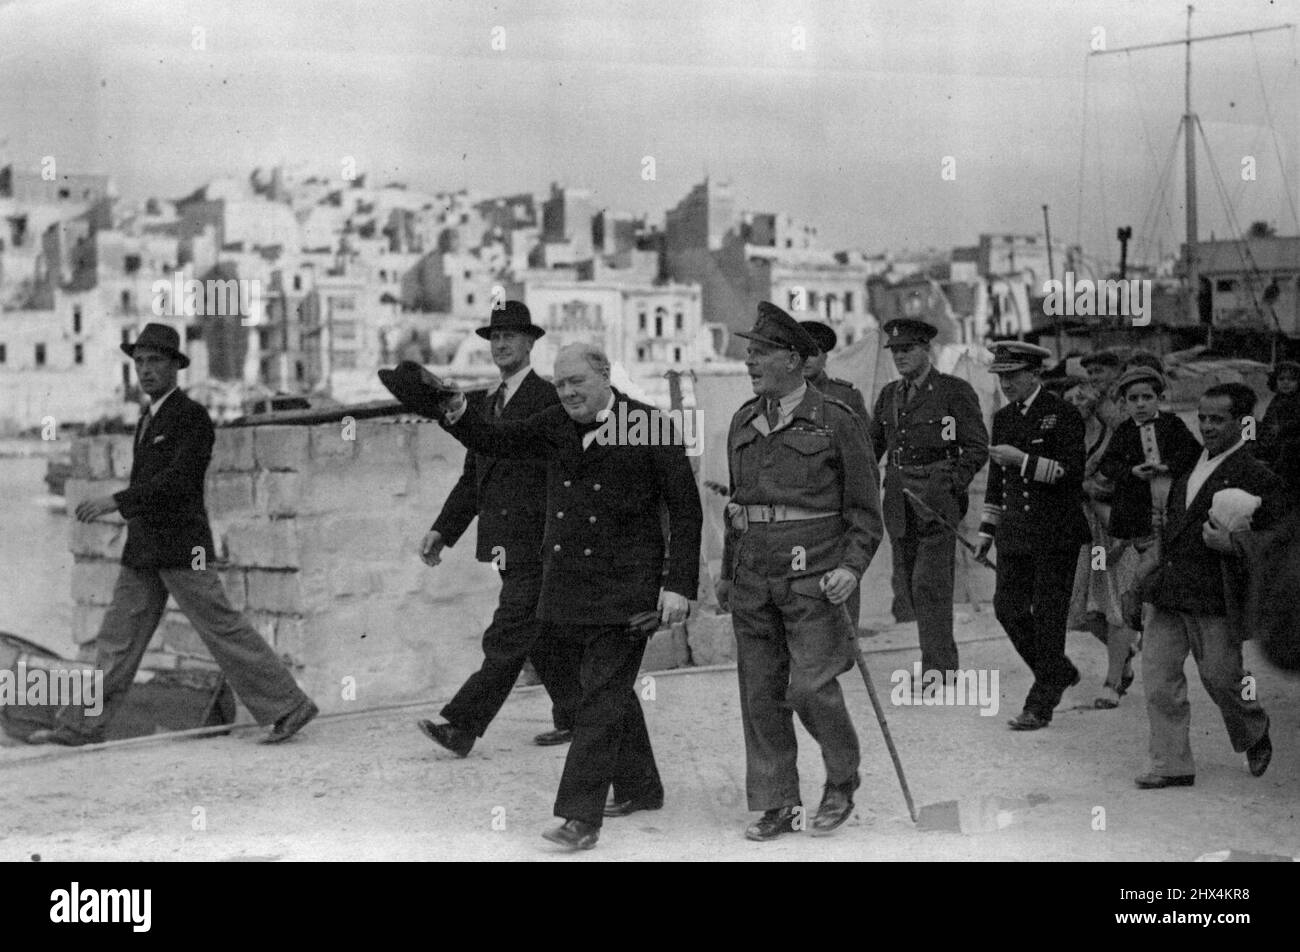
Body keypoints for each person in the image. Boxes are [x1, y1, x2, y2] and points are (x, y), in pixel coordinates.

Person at [433, 343, 702, 850]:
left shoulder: (648, 424)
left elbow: (685, 511)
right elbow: (497, 439)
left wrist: (678, 586)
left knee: (598, 699)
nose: (569, 392)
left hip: (628, 591)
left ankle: (580, 818)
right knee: (598, 689)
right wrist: (458, 413)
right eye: (560, 384)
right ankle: (642, 787)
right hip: (567, 587)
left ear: (605, 376)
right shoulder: (555, 422)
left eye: (578, 381)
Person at [30, 324, 318, 746]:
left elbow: (179, 481)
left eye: (155, 362)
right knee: (115, 642)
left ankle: (289, 707)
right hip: (145, 548)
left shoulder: (191, 418)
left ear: (175, 367)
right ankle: (79, 728)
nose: (145, 371)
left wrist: (117, 502)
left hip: (184, 549)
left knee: (220, 628)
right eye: (139, 363)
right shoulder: (149, 417)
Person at [715, 302, 883, 841]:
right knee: (760, 692)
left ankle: (841, 780)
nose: (749, 362)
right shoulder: (742, 420)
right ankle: (777, 802)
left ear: (793, 359)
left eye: (760, 352)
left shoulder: (837, 420)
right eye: (748, 352)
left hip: (815, 576)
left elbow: (864, 513)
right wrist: (725, 573)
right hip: (753, 576)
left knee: (811, 687)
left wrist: (852, 569)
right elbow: (737, 509)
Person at [414, 302, 579, 757]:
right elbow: (474, 478)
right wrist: (443, 531)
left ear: (531, 342)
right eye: (495, 337)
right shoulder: (485, 405)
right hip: (506, 544)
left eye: (511, 336)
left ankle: (462, 725)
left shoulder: (547, 399)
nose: (501, 344)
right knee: (541, 634)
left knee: (508, 634)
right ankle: (576, 717)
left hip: (542, 542)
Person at [1133, 383, 1287, 788]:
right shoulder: (1188, 465)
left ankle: (1253, 728)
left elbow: (1283, 540)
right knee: (1159, 680)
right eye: (1201, 418)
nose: (1206, 427)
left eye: (1217, 419)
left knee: (1221, 678)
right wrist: (1145, 572)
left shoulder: (1258, 474)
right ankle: (1171, 764)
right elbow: (1169, 527)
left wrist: (1233, 542)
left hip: (1216, 595)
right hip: (1169, 590)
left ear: (1242, 423)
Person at [976, 341, 1090, 731]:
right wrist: (986, 531)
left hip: (1056, 532)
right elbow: (997, 479)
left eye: (1013, 375)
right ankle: (1056, 670)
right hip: (1015, 533)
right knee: (1007, 608)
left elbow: (1071, 473)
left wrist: (1022, 461)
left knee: (1048, 616)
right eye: (1001, 376)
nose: (1006, 383)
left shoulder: (1063, 415)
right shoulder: (1003, 417)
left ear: (1035, 373)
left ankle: (1040, 703)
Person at [869, 318, 989, 678]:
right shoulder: (889, 395)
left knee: (929, 584)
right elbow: (872, 448)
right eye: (895, 351)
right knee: (908, 586)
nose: (900, 357)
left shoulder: (954, 390)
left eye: (908, 349)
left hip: (938, 501)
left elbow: (976, 446)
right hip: (899, 500)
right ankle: (934, 657)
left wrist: (952, 481)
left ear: (927, 350)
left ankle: (939, 668)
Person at [1063, 379, 1138, 709]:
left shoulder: (1116, 437)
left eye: (1081, 396)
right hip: (1080, 531)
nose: (1076, 403)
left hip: (1114, 527)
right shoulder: (1065, 437)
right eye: (1069, 399)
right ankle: (1123, 656)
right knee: (1086, 613)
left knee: (1114, 606)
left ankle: (1112, 682)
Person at [800, 319, 873, 631]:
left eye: (813, 354)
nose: (806, 361)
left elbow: (864, 465)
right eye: (799, 353)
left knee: (839, 613)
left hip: (836, 516)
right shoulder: (781, 399)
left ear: (825, 357)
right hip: (798, 514)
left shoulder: (845, 397)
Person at [1097, 366, 1202, 542]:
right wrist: (1131, 471)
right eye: (1133, 399)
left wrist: (1167, 466)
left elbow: (1193, 452)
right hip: (1137, 503)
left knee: (1175, 538)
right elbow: (1108, 464)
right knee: (1141, 547)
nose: (1140, 404)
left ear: (1158, 399)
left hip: (1172, 492)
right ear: (1124, 403)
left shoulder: (1173, 424)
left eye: (1147, 397)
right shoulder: (1123, 431)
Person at [1257, 360, 1300, 468]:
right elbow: (1268, 420)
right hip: (1273, 444)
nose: (1286, 382)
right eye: (1281, 379)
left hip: (1291, 448)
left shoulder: (1296, 400)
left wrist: (1282, 428)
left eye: (1292, 379)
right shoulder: (1277, 399)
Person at [1080, 350, 1126, 431]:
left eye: (1098, 371)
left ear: (1115, 372)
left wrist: (1101, 402)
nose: (1093, 378)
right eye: (1090, 373)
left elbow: (1123, 427)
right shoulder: (1093, 396)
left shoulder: (1127, 394)